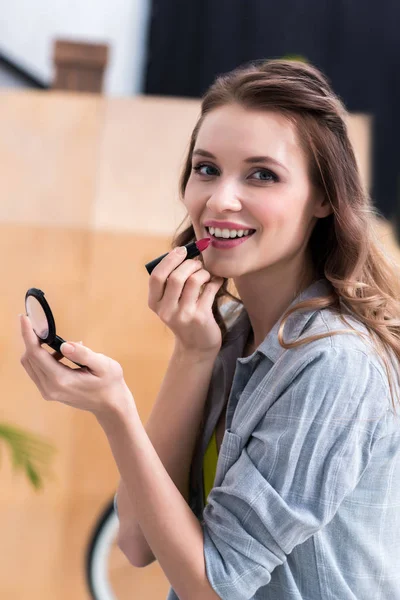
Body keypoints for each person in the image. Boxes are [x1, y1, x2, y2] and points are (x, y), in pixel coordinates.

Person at [19, 59, 400, 600]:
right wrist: (193, 353)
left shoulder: (334, 362)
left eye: (262, 174)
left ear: (324, 198)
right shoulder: (231, 338)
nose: (219, 199)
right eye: (206, 168)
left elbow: (213, 589)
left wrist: (115, 410)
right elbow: (135, 540)